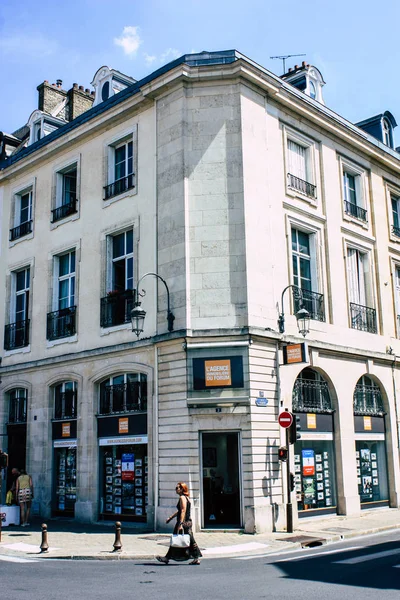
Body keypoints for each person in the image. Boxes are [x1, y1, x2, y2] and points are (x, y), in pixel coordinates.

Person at [156, 482, 202, 565]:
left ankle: (167, 557)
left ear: (182, 489)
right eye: (176, 488)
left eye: (178, 488)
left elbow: (183, 511)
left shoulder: (182, 498)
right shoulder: (186, 498)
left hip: (183, 522)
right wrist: (171, 518)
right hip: (187, 522)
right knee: (190, 540)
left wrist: (180, 523)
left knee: (176, 539)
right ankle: (196, 558)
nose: (176, 489)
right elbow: (180, 511)